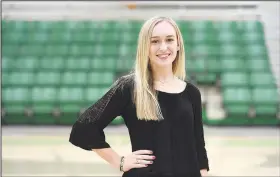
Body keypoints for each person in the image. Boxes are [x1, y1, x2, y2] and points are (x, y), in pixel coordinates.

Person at [69, 16, 210, 177]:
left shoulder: (191, 93)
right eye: (154, 41)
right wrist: (119, 161)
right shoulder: (129, 88)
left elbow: (199, 148)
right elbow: (83, 129)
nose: (163, 47)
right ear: (145, 47)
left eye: (169, 40)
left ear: (178, 44)